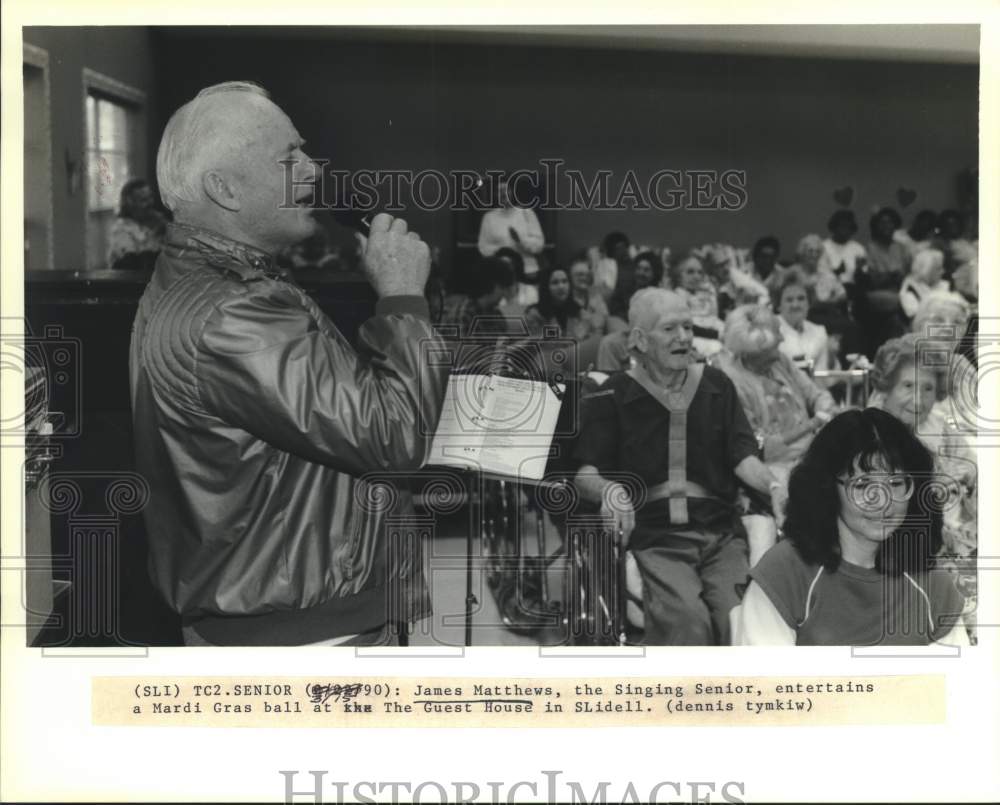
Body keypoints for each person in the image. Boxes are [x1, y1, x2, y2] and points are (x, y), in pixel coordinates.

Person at [130, 82, 448, 646]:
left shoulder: (216, 283)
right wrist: (401, 298)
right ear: (223, 188)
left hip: (286, 616)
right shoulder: (233, 310)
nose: (311, 170)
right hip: (304, 638)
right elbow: (394, 436)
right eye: (287, 158)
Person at [573, 288, 786, 645]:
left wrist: (776, 488)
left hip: (720, 534)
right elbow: (583, 473)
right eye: (670, 329)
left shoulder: (716, 385)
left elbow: (743, 456)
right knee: (688, 625)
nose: (684, 338)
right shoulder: (612, 393)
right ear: (639, 339)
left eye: (687, 327)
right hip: (657, 538)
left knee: (741, 622)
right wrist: (610, 489)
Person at [738, 408, 968, 646]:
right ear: (826, 487)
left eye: (897, 482)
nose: (882, 500)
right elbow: (764, 680)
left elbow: (961, 680)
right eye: (862, 485)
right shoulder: (785, 573)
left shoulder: (932, 583)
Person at [870, 334, 976, 558]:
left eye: (927, 389)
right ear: (886, 387)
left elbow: (976, 475)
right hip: (894, 550)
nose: (918, 400)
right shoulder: (867, 434)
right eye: (908, 386)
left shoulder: (945, 432)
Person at [715, 304, 836, 491]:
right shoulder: (733, 383)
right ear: (758, 345)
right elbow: (761, 448)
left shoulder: (780, 361)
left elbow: (817, 394)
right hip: (771, 470)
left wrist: (825, 408)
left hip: (812, 455)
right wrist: (813, 424)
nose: (782, 338)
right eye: (777, 333)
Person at [910, 292, 977, 434]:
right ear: (919, 325)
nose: (948, 328)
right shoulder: (902, 365)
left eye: (957, 322)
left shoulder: (963, 365)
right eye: (938, 320)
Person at [477, 177, 545, 280]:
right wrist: (504, 252)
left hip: (528, 272)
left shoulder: (527, 213)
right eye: (500, 191)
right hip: (499, 273)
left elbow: (539, 245)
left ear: (513, 192)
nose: (504, 194)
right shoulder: (489, 217)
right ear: (496, 195)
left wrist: (520, 241)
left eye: (507, 190)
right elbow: (483, 247)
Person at [440, 255, 517, 339]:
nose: (504, 293)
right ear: (490, 285)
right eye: (502, 288)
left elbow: (505, 344)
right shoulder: (463, 315)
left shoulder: (496, 315)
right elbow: (466, 351)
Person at [774, 273, 830, 373]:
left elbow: (822, 374)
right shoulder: (770, 330)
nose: (795, 305)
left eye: (801, 299)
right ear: (779, 305)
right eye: (789, 300)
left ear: (809, 303)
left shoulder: (819, 331)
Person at [107, 178, 169, 268]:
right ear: (130, 204)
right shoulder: (122, 229)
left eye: (150, 197)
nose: (150, 203)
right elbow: (132, 262)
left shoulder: (159, 222)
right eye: (143, 200)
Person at [819, 209, 867, 288]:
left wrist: (859, 271)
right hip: (829, 289)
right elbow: (821, 274)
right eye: (841, 226)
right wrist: (836, 272)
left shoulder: (859, 248)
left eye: (848, 227)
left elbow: (863, 278)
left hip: (855, 289)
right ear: (834, 227)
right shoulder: (823, 247)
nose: (844, 230)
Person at [899, 249, 949, 320]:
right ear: (926, 271)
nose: (943, 271)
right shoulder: (909, 291)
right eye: (938, 269)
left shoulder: (943, 284)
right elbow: (918, 321)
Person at [568, 252, 609, 338]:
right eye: (579, 275)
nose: (584, 278)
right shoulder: (566, 297)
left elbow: (603, 321)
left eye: (587, 275)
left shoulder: (596, 296)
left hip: (596, 342)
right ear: (570, 277)